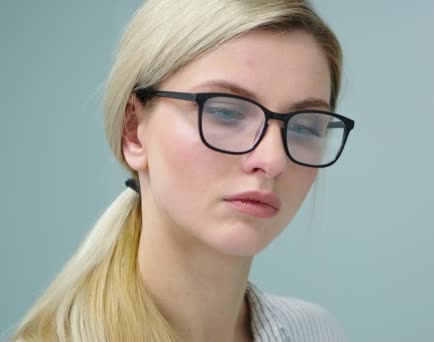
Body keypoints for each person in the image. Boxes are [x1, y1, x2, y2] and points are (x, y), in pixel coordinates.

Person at [11, 0, 355, 341]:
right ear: (133, 130)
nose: (273, 159)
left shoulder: (316, 331)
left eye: (307, 127)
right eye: (226, 112)